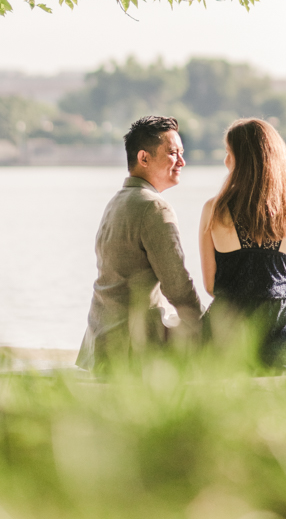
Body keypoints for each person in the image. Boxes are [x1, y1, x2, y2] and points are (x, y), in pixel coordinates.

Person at [77, 115, 204, 369]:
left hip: (97, 344)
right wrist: (208, 328)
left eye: (181, 153)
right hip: (130, 349)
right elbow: (178, 287)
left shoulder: (117, 201)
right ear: (143, 158)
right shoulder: (154, 207)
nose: (182, 161)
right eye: (172, 153)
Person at [198, 118, 286, 374]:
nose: (225, 161)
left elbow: (210, 286)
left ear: (242, 161)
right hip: (283, 341)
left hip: (226, 338)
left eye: (229, 154)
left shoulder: (213, 210)